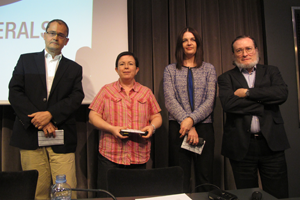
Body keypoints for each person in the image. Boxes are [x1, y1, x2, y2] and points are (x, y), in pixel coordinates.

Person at [8, 19, 84, 199]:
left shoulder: (74, 68)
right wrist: (40, 121)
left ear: (66, 41)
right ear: (44, 35)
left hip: (61, 136)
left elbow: (76, 97)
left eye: (60, 35)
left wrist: (51, 115)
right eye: (51, 33)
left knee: (66, 192)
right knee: (36, 191)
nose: (55, 37)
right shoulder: (25, 60)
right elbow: (15, 92)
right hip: (30, 135)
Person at [218, 35, 290, 199]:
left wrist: (248, 93)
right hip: (241, 145)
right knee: (246, 195)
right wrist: (265, 102)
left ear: (256, 50)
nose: (244, 53)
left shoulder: (271, 71)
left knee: (278, 194)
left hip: (272, 143)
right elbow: (229, 104)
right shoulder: (225, 78)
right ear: (234, 54)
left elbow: (281, 94)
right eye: (239, 50)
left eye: (248, 48)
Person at [89, 51, 162, 193]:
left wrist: (152, 127)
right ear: (116, 69)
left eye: (130, 64)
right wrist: (111, 129)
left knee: (134, 196)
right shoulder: (106, 91)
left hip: (138, 155)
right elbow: (93, 116)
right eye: (122, 64)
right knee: (108, 196)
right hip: (110, 155)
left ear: (137, 69)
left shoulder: (146, 92)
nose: (126, 67)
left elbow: (157, 117)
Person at [163, 27, 216, 192]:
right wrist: (187, 124)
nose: (189, 43)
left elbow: (210, 100)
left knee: (204, 177)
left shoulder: (209, 69)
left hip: (204, 127)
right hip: (179, 128)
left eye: (192, 39)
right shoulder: (170, 70)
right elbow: (170, 100)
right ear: (180, 45)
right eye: (185, 40)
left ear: (197, 43)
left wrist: (191, 120)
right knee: (180, 177)